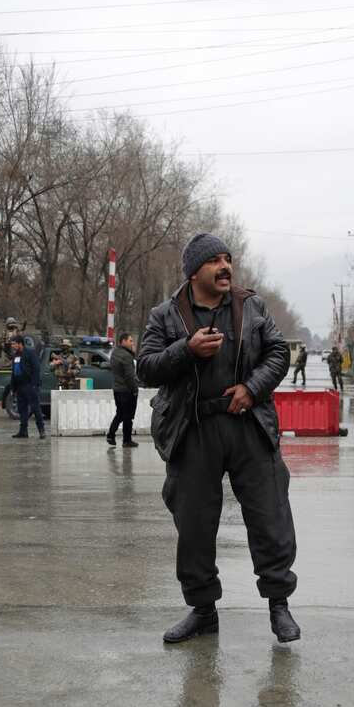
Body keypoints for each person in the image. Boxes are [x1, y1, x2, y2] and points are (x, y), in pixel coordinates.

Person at [138, 232, 300, 645]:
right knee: (194, 525)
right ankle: (202, 611)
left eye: (228, 259)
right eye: (215, 261)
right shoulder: (166, 315)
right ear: (194, 272)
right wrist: (187, 350)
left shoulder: (252, 306)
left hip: (249, 424)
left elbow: (278, 353)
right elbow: (146, 368)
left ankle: (279, 606)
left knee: (270, 517)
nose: (225, 266)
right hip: (194, 429)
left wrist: (252, 389)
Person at [2, 335, 45, 439]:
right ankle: (23, 431)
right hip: (19, 386)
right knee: (22, 410)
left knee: (35, 408)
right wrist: (13, 388)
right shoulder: (16, 356)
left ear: (20, 343)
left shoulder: (30, 353)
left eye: (14, 344)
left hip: (30, 385)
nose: (12, 346)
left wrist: (34, 385)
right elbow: (14, 372)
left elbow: (36, 369)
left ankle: (41, 430)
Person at [106, 332, 140, 448]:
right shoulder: (127, 356)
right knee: (128, 417)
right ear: (123, 341)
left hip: (117, 389)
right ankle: (127, 440)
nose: (132, 343)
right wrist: (135, 389)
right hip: (127, 391)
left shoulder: (115, 353)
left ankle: (111, 435)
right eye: (130, 341)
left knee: (120, 414)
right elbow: (129, 376)